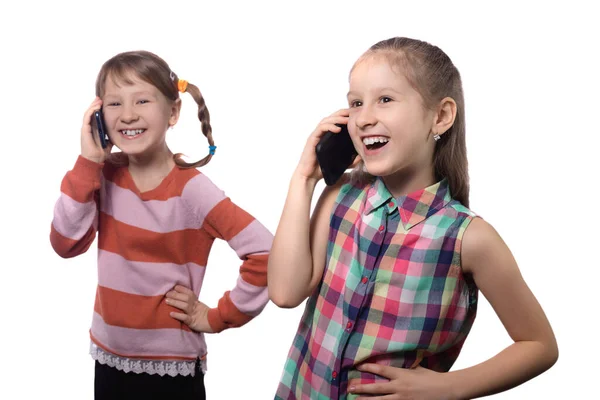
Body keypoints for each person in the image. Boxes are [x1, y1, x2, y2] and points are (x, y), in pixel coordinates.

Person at [269, 37, 558, 399]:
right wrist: (304, 179)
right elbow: (283, 292)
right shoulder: (339, 198)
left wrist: (449, 387)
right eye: (356, 103)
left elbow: (539, 345)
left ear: (440, 116)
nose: (364, 118)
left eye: (385, 100)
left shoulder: (468, 238)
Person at [50, 50, 272, 399]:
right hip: (109, 356)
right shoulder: (99, 174)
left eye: (142, 100)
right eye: (113, 104)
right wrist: (87, 162)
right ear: (97, 115)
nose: (127, 115)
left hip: (171, 368)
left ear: (173, 112)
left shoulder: (193, 189)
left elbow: (266, 253)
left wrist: (216, 316)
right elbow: (65, 243)